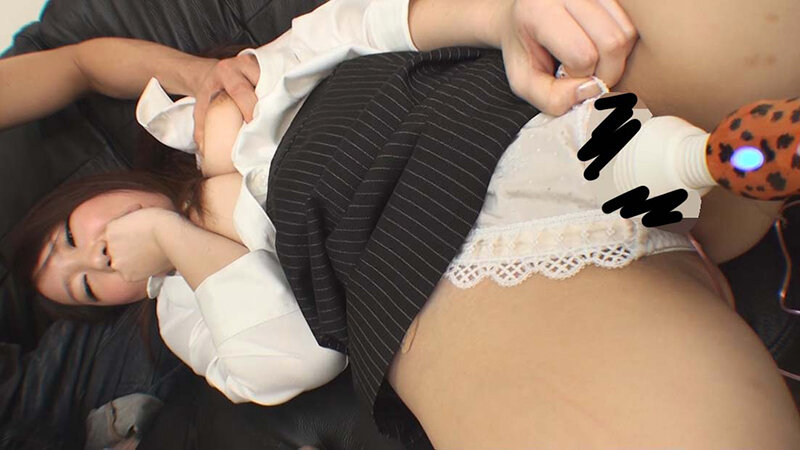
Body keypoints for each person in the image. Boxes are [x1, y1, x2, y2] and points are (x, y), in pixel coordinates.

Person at [3, 0, 800, 448]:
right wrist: (173, 243)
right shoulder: (188, 314)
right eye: (90, 285)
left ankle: (716, 165)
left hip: (490, 110)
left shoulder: (217, 94)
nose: (97, 255)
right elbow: (293, 358)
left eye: (72, 238)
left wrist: (502, 17)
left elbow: (357, 28)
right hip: (431, 275)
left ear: (87, 190)